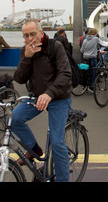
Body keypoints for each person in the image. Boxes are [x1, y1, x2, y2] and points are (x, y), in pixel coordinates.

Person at [12, 20, 72, 182]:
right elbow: (19, 78)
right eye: (26, 35)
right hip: (36, 96)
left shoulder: (55, 46)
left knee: (57, 143)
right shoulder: (26, 50)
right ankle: (34, 149)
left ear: (41, 32)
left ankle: (62, 180)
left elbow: (65, 74)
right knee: (14, 119)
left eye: (33, 34)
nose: (30, 38)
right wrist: (27, 58)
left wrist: (49, 93)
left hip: (58, 97)